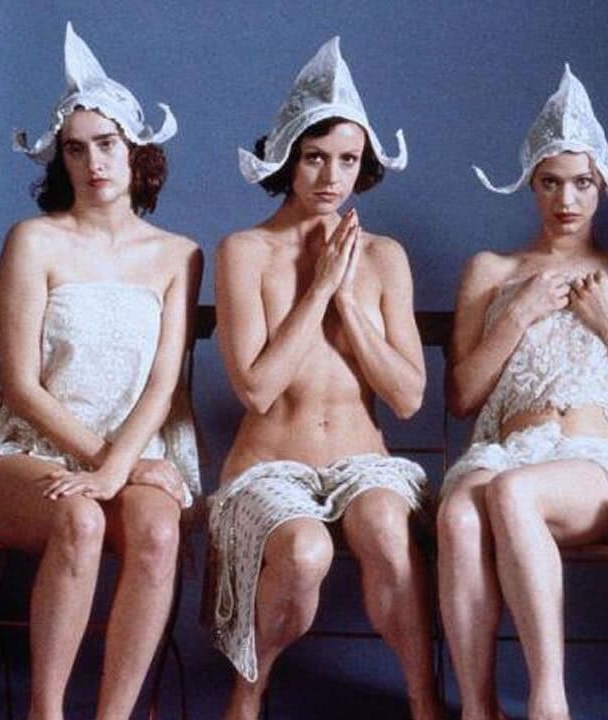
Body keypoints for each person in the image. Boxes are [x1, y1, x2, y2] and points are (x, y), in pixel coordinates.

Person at [0, 21, 202, 720]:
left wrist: (121, 466)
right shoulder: (32, 242)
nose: (94, 163)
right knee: (81, 519)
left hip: (131, 449)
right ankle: (47, 711)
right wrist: (108, 468)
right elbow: (21, 386)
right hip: (25, 451)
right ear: (61, 158)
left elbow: (163, 386)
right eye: (76, 148)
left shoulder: (179, 255)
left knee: (158, 532)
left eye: (107, 144)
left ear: (136, 150)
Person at [203, 36, 443, 720]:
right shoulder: (245, 251)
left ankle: (424, 700)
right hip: (269, 466)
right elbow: (256, 389)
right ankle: (248, 693)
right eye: (315, 157)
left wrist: (349, 302)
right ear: (287, 158)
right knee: (306, 551)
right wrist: (318, 289)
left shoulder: (384, 257)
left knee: (387, 527)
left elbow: (408, 396)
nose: (331, 177)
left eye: (348, 160)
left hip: (363, 461)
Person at [437, 64, 608, 720]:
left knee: (513, 494)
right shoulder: (492, 270)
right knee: (459, 515)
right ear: (530, 183)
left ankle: (549, 701)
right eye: (551, 182)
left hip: (596, 463)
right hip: (507, 449)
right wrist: (517, 315)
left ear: (602, 186)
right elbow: (460, 397)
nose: (566, 200)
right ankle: (478, 709)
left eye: (582, 183)